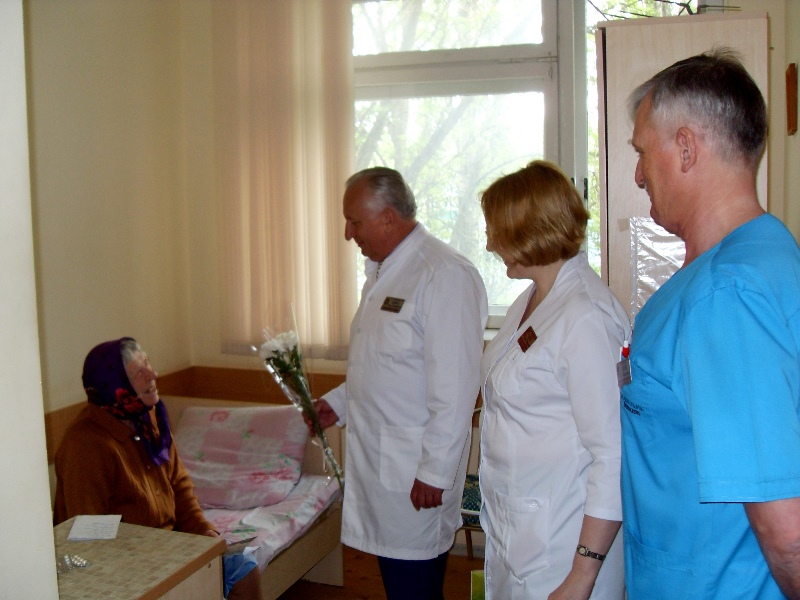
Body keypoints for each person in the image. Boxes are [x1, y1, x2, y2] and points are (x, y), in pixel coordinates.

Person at [622, 47, 800, 599]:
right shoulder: (771, 254)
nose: (638, 174)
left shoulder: (725, 294)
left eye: (642, 151)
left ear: (685, 147)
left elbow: (787, 533)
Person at [309, 167, 488, 600]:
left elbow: (455, 390)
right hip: (387, 467)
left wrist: (434, 471)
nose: (348, 233)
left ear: (388, 218)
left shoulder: (443, 274)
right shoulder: (381, 273)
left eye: (354, 222)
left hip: (416, 474)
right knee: (399, 584)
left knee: (414, 588)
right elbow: (384, 366)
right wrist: (339, 403)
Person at [478, 160, 628, 599]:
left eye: (496, 231)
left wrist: (582, 574)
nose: (489, 244)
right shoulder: (532, 301)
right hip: (520, 533)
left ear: (528, 230)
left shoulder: (585, 317)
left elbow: (612, 454)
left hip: (564, 546)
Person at [53, 337, 261, 600]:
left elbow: (179, 486)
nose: (153, 374)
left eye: (148, 363)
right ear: (114, 385)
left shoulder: (147, 418)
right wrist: (160, 560)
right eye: (139, 372)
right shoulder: (86, 444)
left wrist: (203, 532)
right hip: (127, 565)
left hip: (168, 548)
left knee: (244, 569)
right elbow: (89, 536)